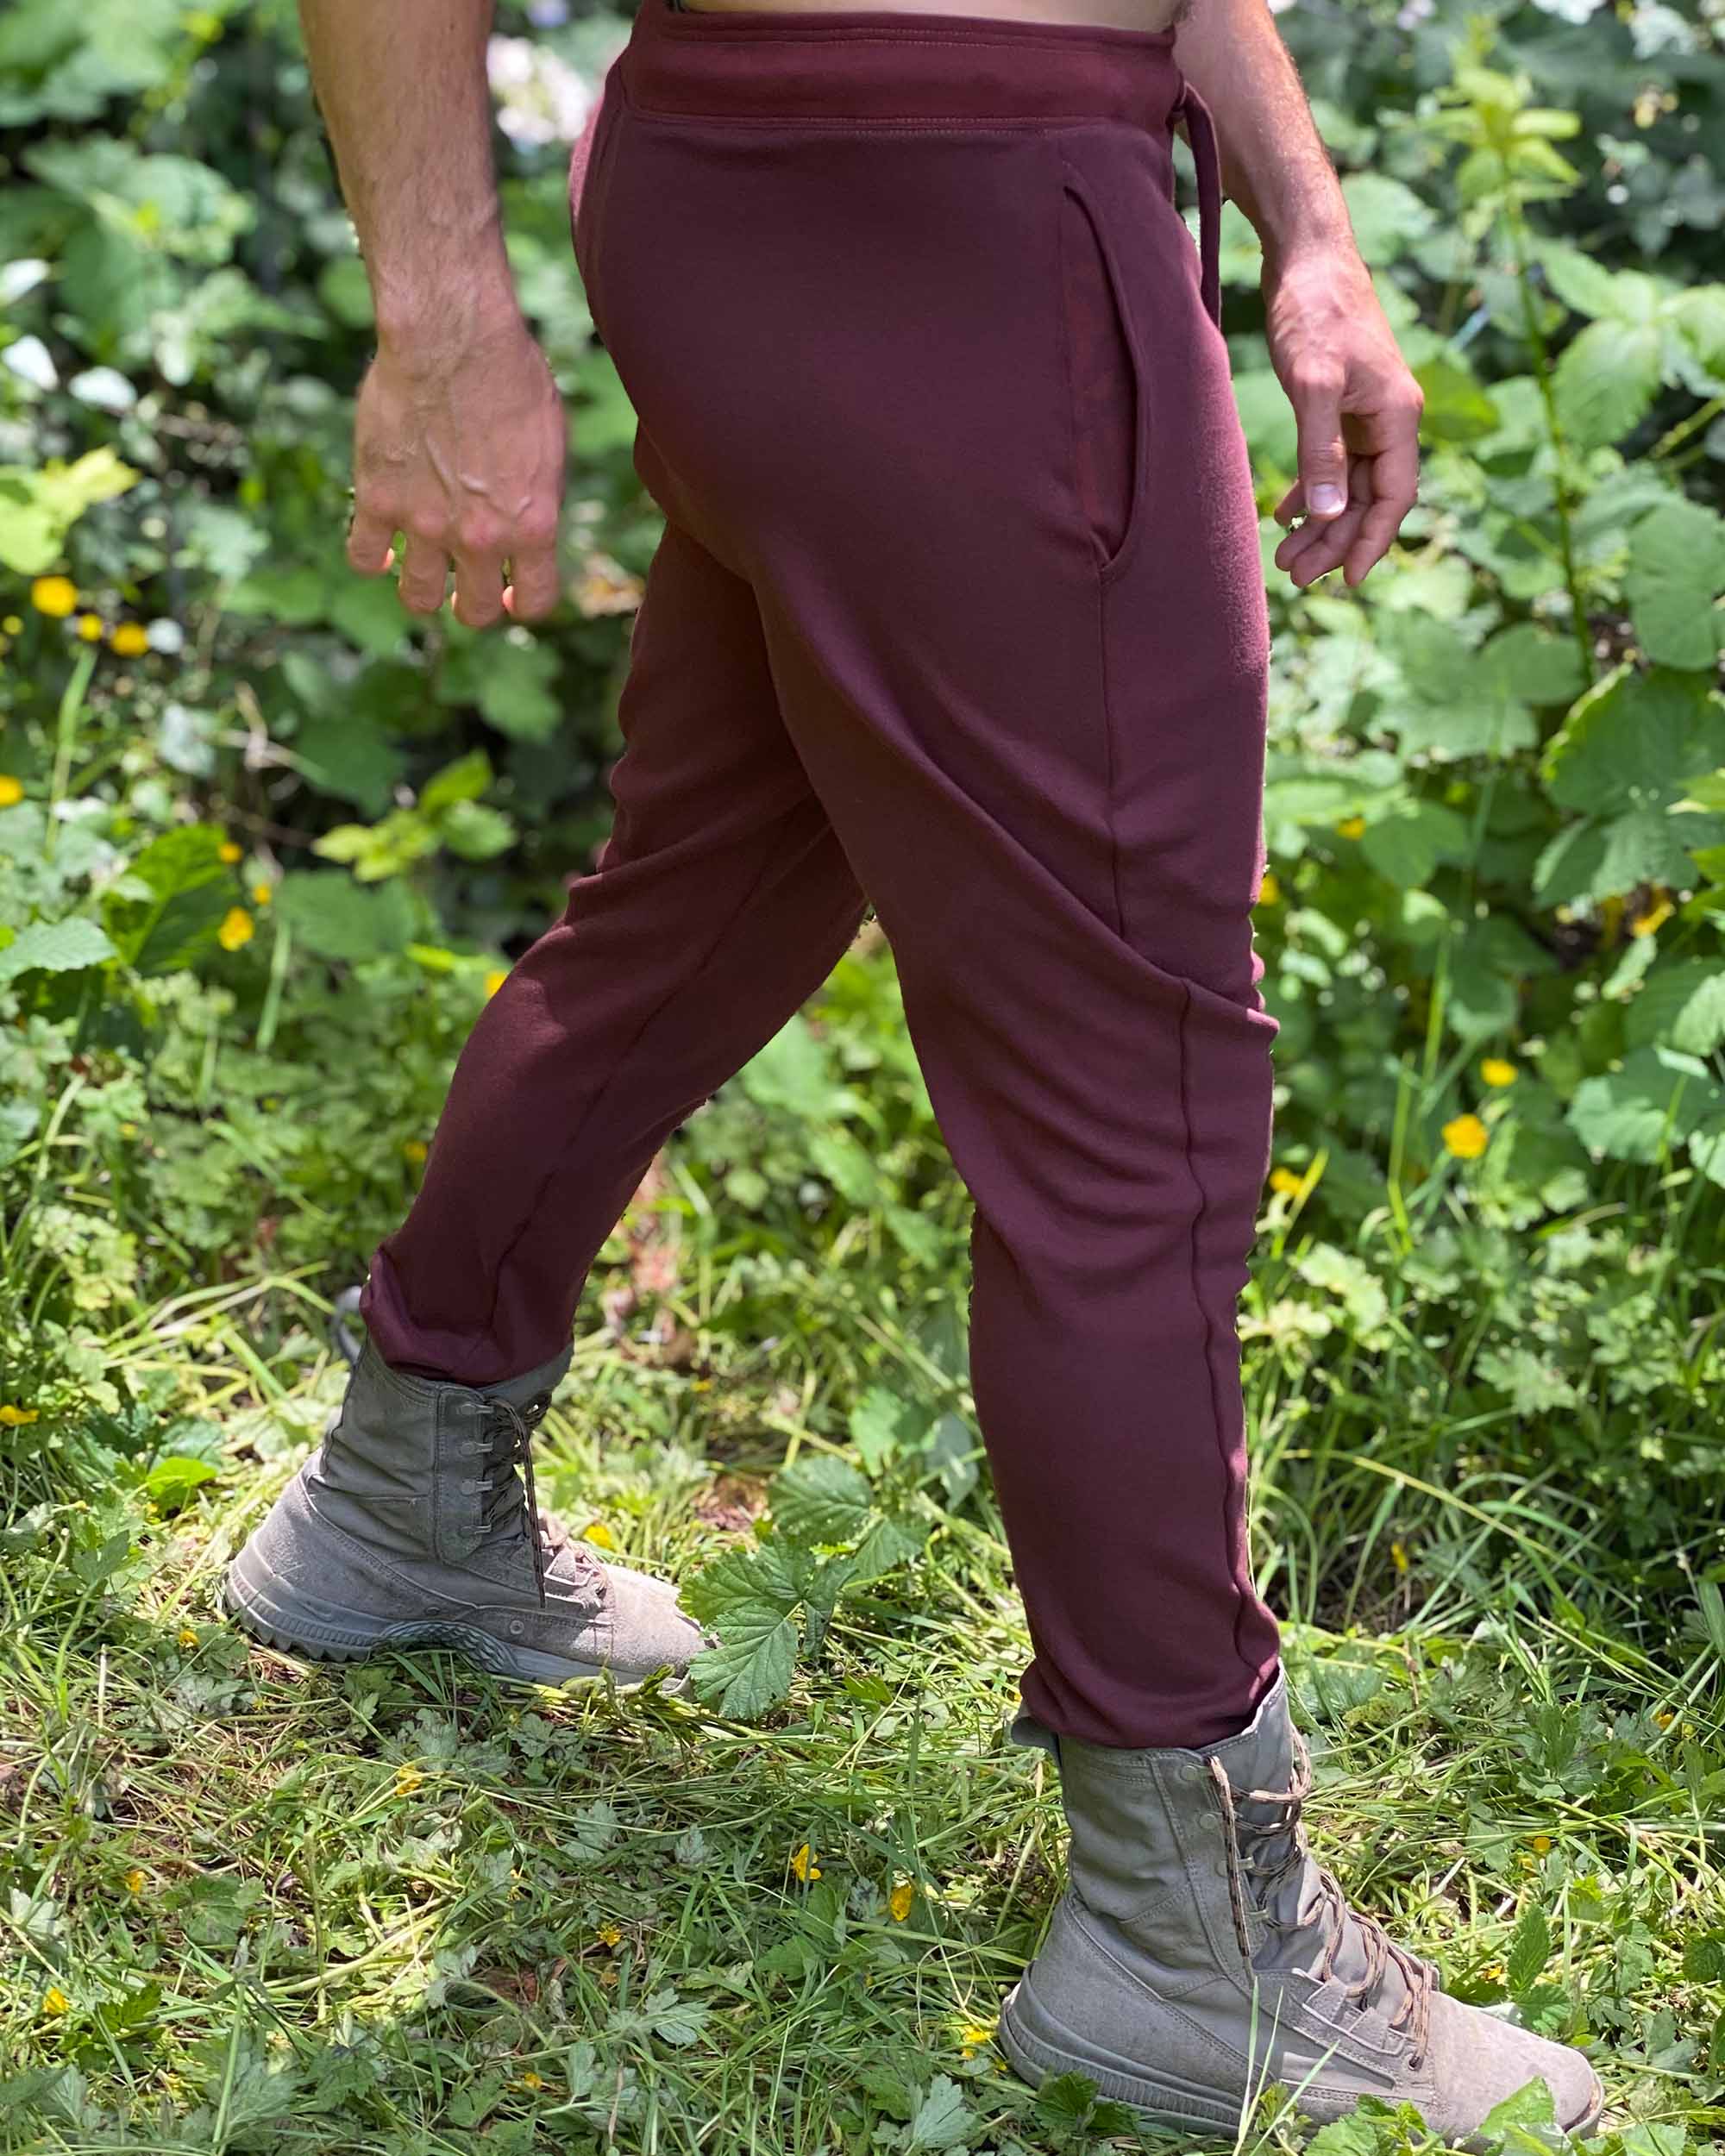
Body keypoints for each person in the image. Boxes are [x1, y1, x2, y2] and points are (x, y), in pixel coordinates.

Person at [224, 0, 1605, 2138]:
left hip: (793, 199)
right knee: (1127, 1084)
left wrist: (1302, 222)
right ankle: (1191, 1938)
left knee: (716, 881)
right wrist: (433, 315)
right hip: (956, 226)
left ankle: (398, 1495)